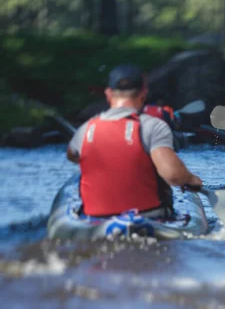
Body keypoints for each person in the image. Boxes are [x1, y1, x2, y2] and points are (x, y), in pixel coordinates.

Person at [66, 64, 204, 218]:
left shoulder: (85, 129)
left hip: (95, 219)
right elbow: (173, 175)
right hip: (148, 217)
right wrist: (191, 180)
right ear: (143, 93)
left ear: (108, 93)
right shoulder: (154, 126)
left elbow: (72, 155)